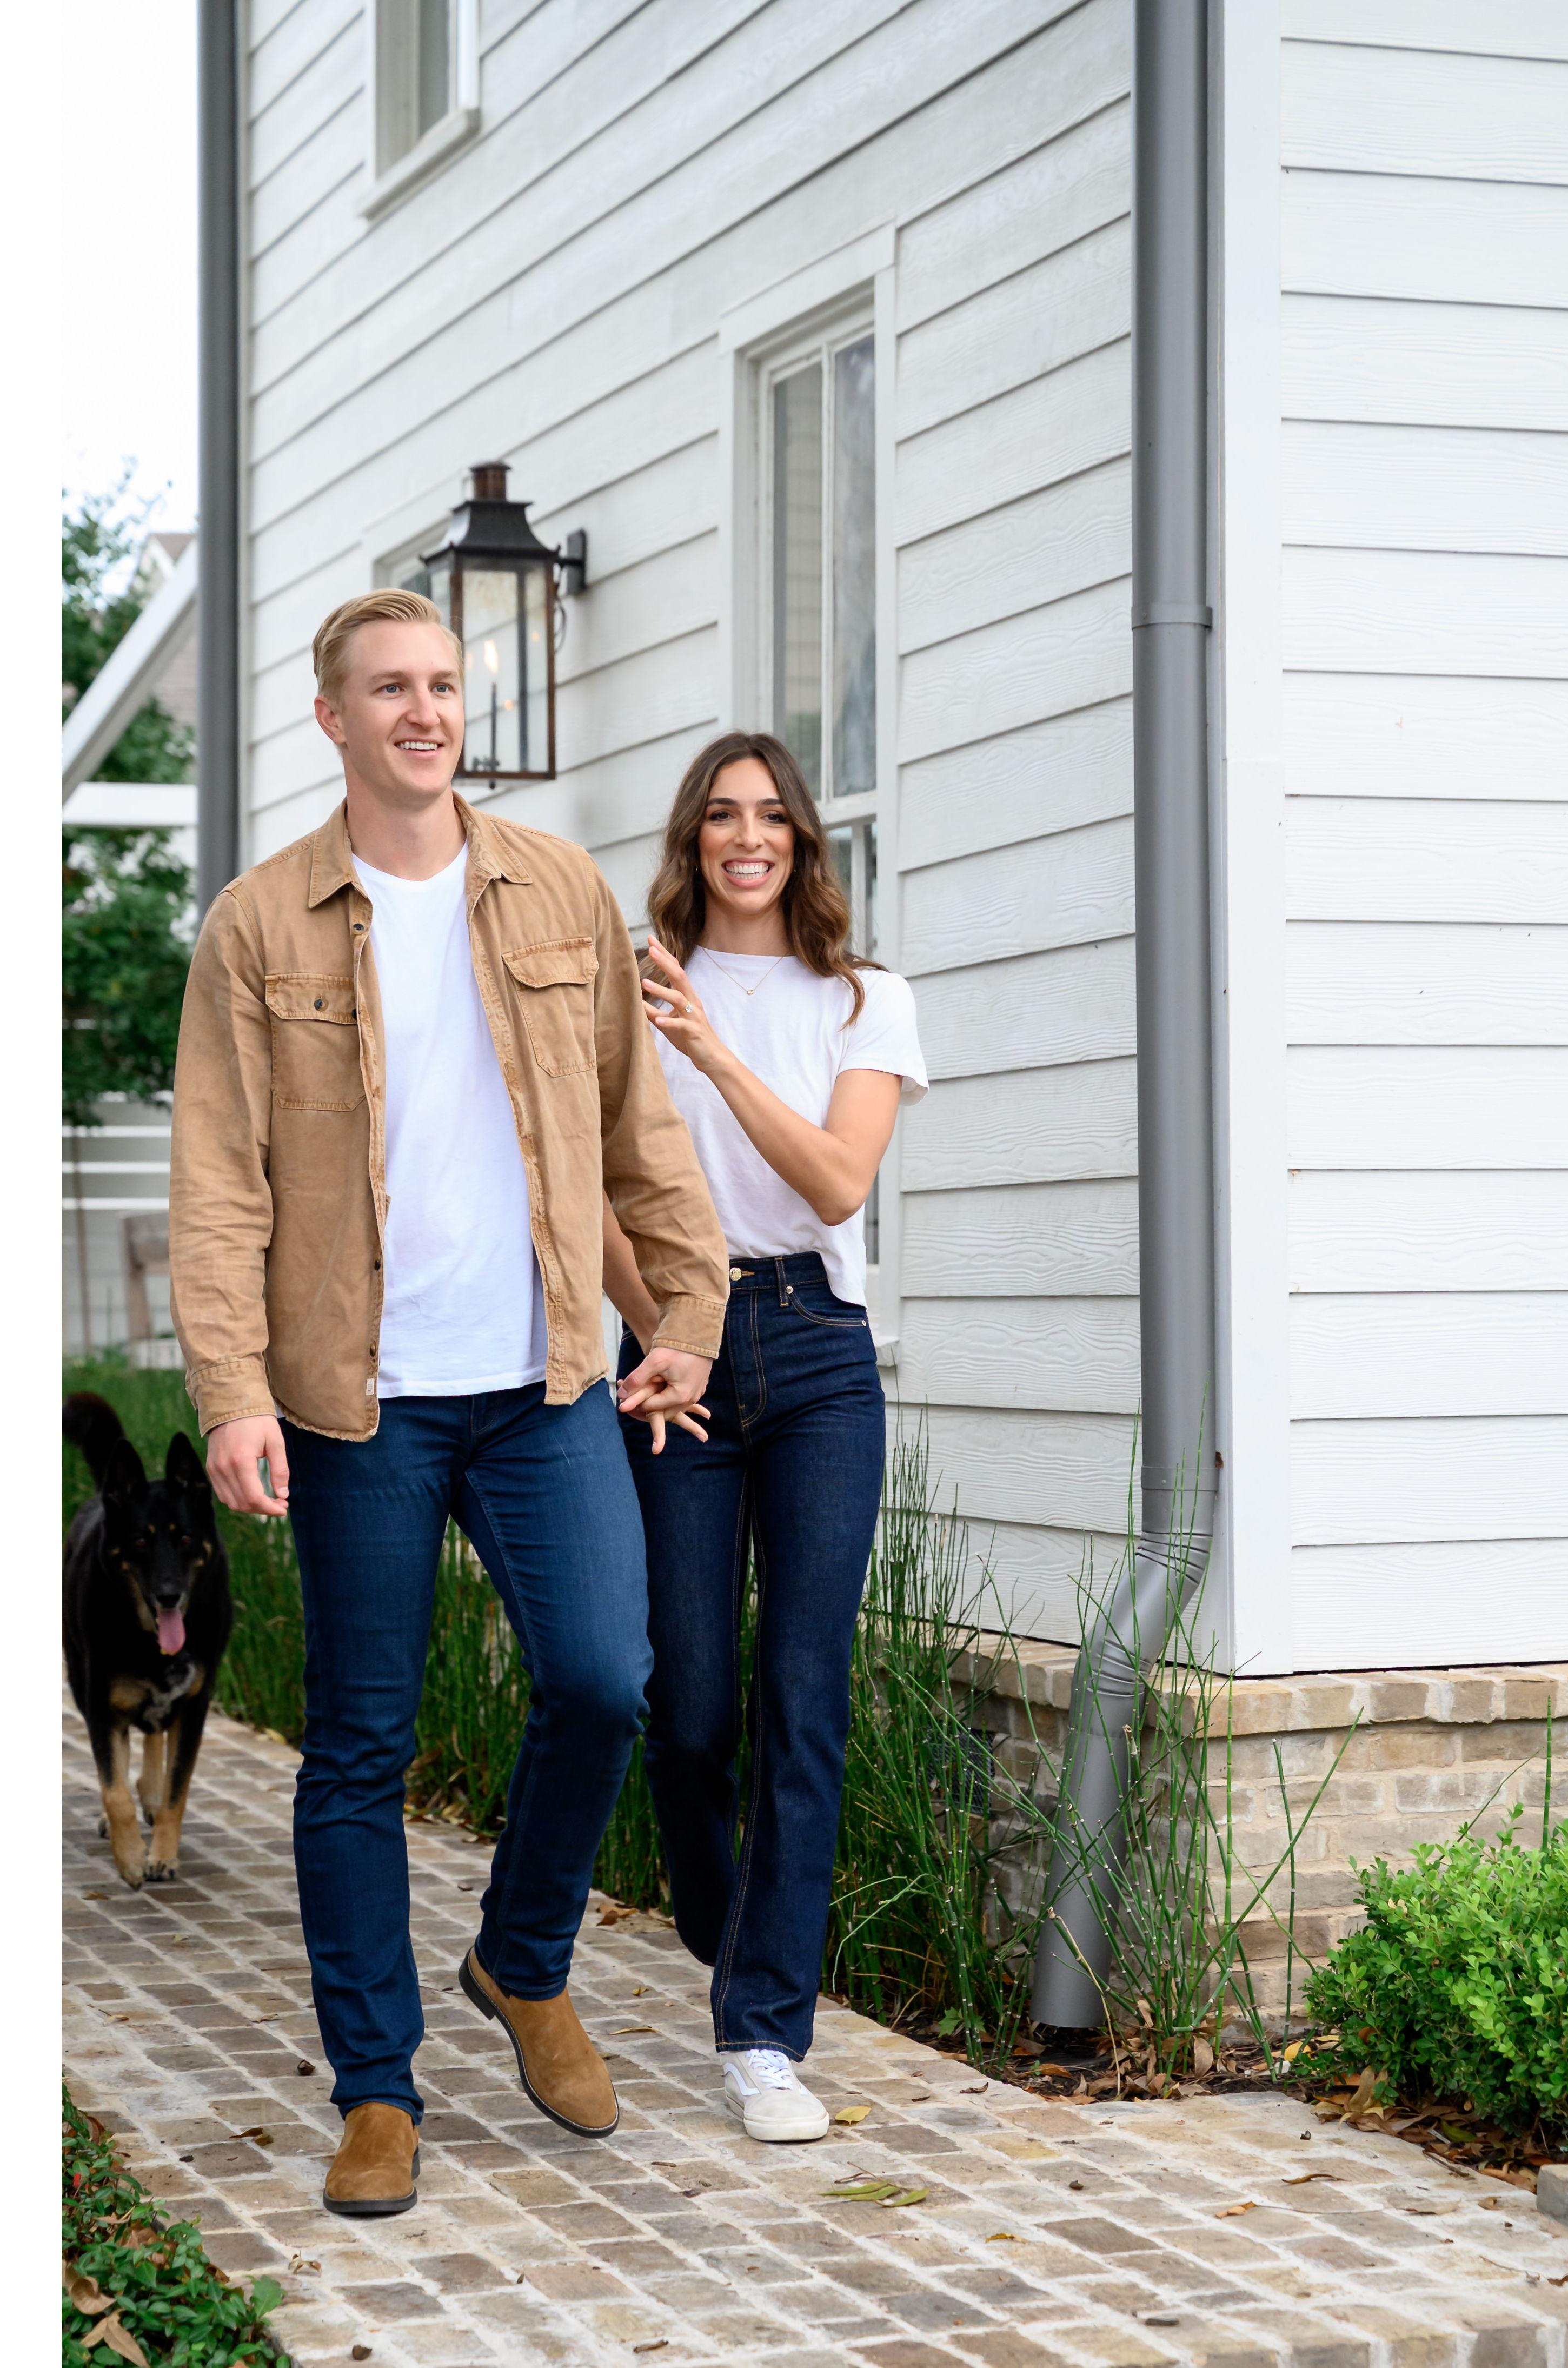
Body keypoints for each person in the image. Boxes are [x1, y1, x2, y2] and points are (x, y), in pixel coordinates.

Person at [169, 588, 728, 2217]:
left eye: (441, 684)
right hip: (356, 1400)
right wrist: (231, 1393)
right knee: (360, 1741)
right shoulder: (259, 925)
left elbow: (639, 1126)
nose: (424, 711)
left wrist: (689, 1312)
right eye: (388, 688)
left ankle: (522, 1958)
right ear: (331, 718)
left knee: (605, 1679)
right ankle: (375, 2089)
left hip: (542, 1376)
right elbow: (219, 1182)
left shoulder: (555, 887)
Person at [600, 731, 929, 2143]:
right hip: (672, 1348)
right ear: (694, 837)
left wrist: (716, 1054)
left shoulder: (864, 999)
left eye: (771, 816)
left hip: (815, 1354)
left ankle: (761, 2032)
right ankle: (725, 1922)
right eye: (723, 816)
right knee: (684, 1707)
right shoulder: (630, 987)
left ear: (801, 839)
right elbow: (591, 1186)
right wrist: (659, 1329)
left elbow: (837, 1181)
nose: (748, 837)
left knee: (804, 1694)